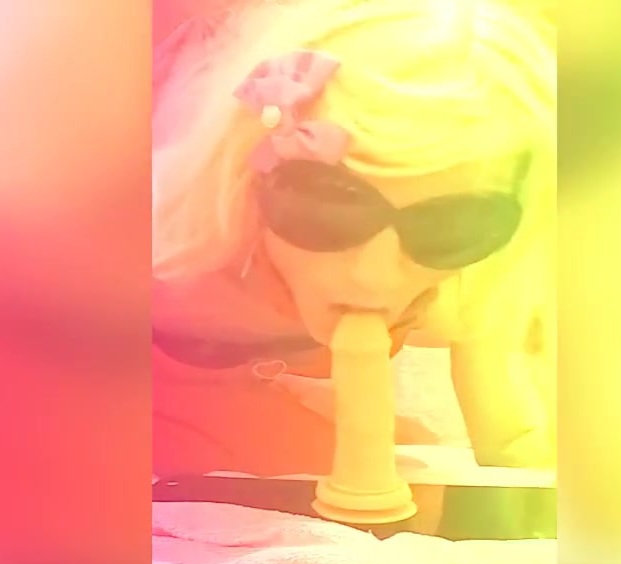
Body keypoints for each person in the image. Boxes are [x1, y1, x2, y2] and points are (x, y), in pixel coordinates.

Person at [152, 0, 556, 478]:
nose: (374, 277)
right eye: (329, 207)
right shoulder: (142, 257)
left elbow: (516, 451)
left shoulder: (469, 284)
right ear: (247, 170)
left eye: (450, 227)